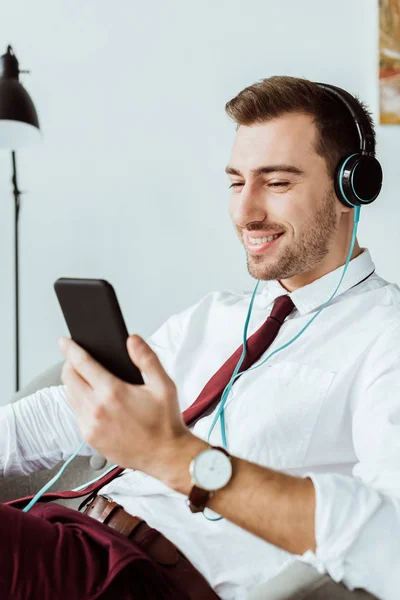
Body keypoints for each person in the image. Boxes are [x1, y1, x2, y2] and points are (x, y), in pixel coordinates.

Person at [1, 76, 400, 600]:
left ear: (354, 188)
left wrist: (180, 459)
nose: (244, 212)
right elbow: (61, 414)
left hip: (145, 580)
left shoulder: (385, 336)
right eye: (237, 182)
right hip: (71, 534)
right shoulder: (212, 316)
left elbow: (388, 543)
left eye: (276, 183)